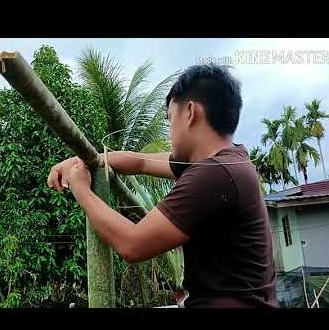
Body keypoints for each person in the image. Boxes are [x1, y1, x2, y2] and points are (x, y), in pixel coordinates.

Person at [47, 63, 278, 308]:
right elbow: (140, 163)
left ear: (190, 112)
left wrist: (80, 187)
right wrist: (79, 160)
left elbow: (132, 244)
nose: (170, 131)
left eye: (170, 118)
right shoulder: (228, 163)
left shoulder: (215, 176)